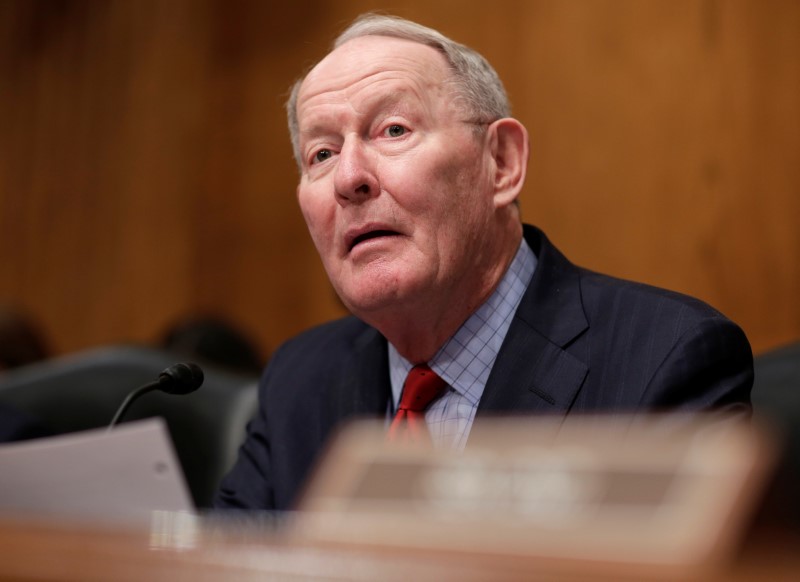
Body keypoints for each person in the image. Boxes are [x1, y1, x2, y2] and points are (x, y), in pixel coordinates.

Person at [214, 14, 753, 511]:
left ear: (501, 163)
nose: (350, 177)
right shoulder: (300, 380)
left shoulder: (665, 359)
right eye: (322, 154)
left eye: (393, 131)